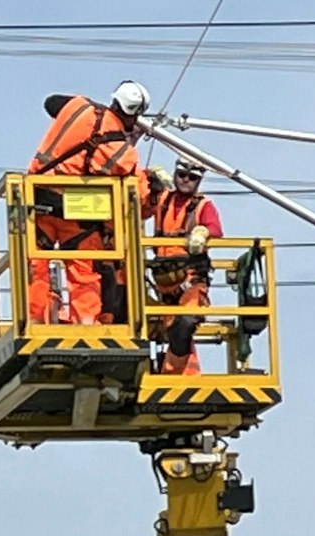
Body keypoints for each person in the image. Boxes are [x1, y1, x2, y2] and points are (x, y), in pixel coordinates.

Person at [27, 80, 153, 327]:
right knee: (83, 268)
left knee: (36, 265)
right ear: (134, 115)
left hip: (37, 198)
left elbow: (51, 102)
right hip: (74, 210)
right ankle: (85, 321)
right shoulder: (119, 149)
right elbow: (139, 195)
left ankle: (36, 319)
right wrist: (152, 182)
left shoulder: (78, 105)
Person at [147, 158, 224, 373]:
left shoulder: (203, 205)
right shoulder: (163, 199)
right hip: (165, 283)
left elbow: (215, 227)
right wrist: (150, 176)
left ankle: (173, 373)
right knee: (169, 331)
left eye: (192, 178)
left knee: (185, 324)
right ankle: (178, 373)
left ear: (199, 181)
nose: (186, 181)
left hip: (190, 282)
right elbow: (142, 198)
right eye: (182, 175)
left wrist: (202, 232)